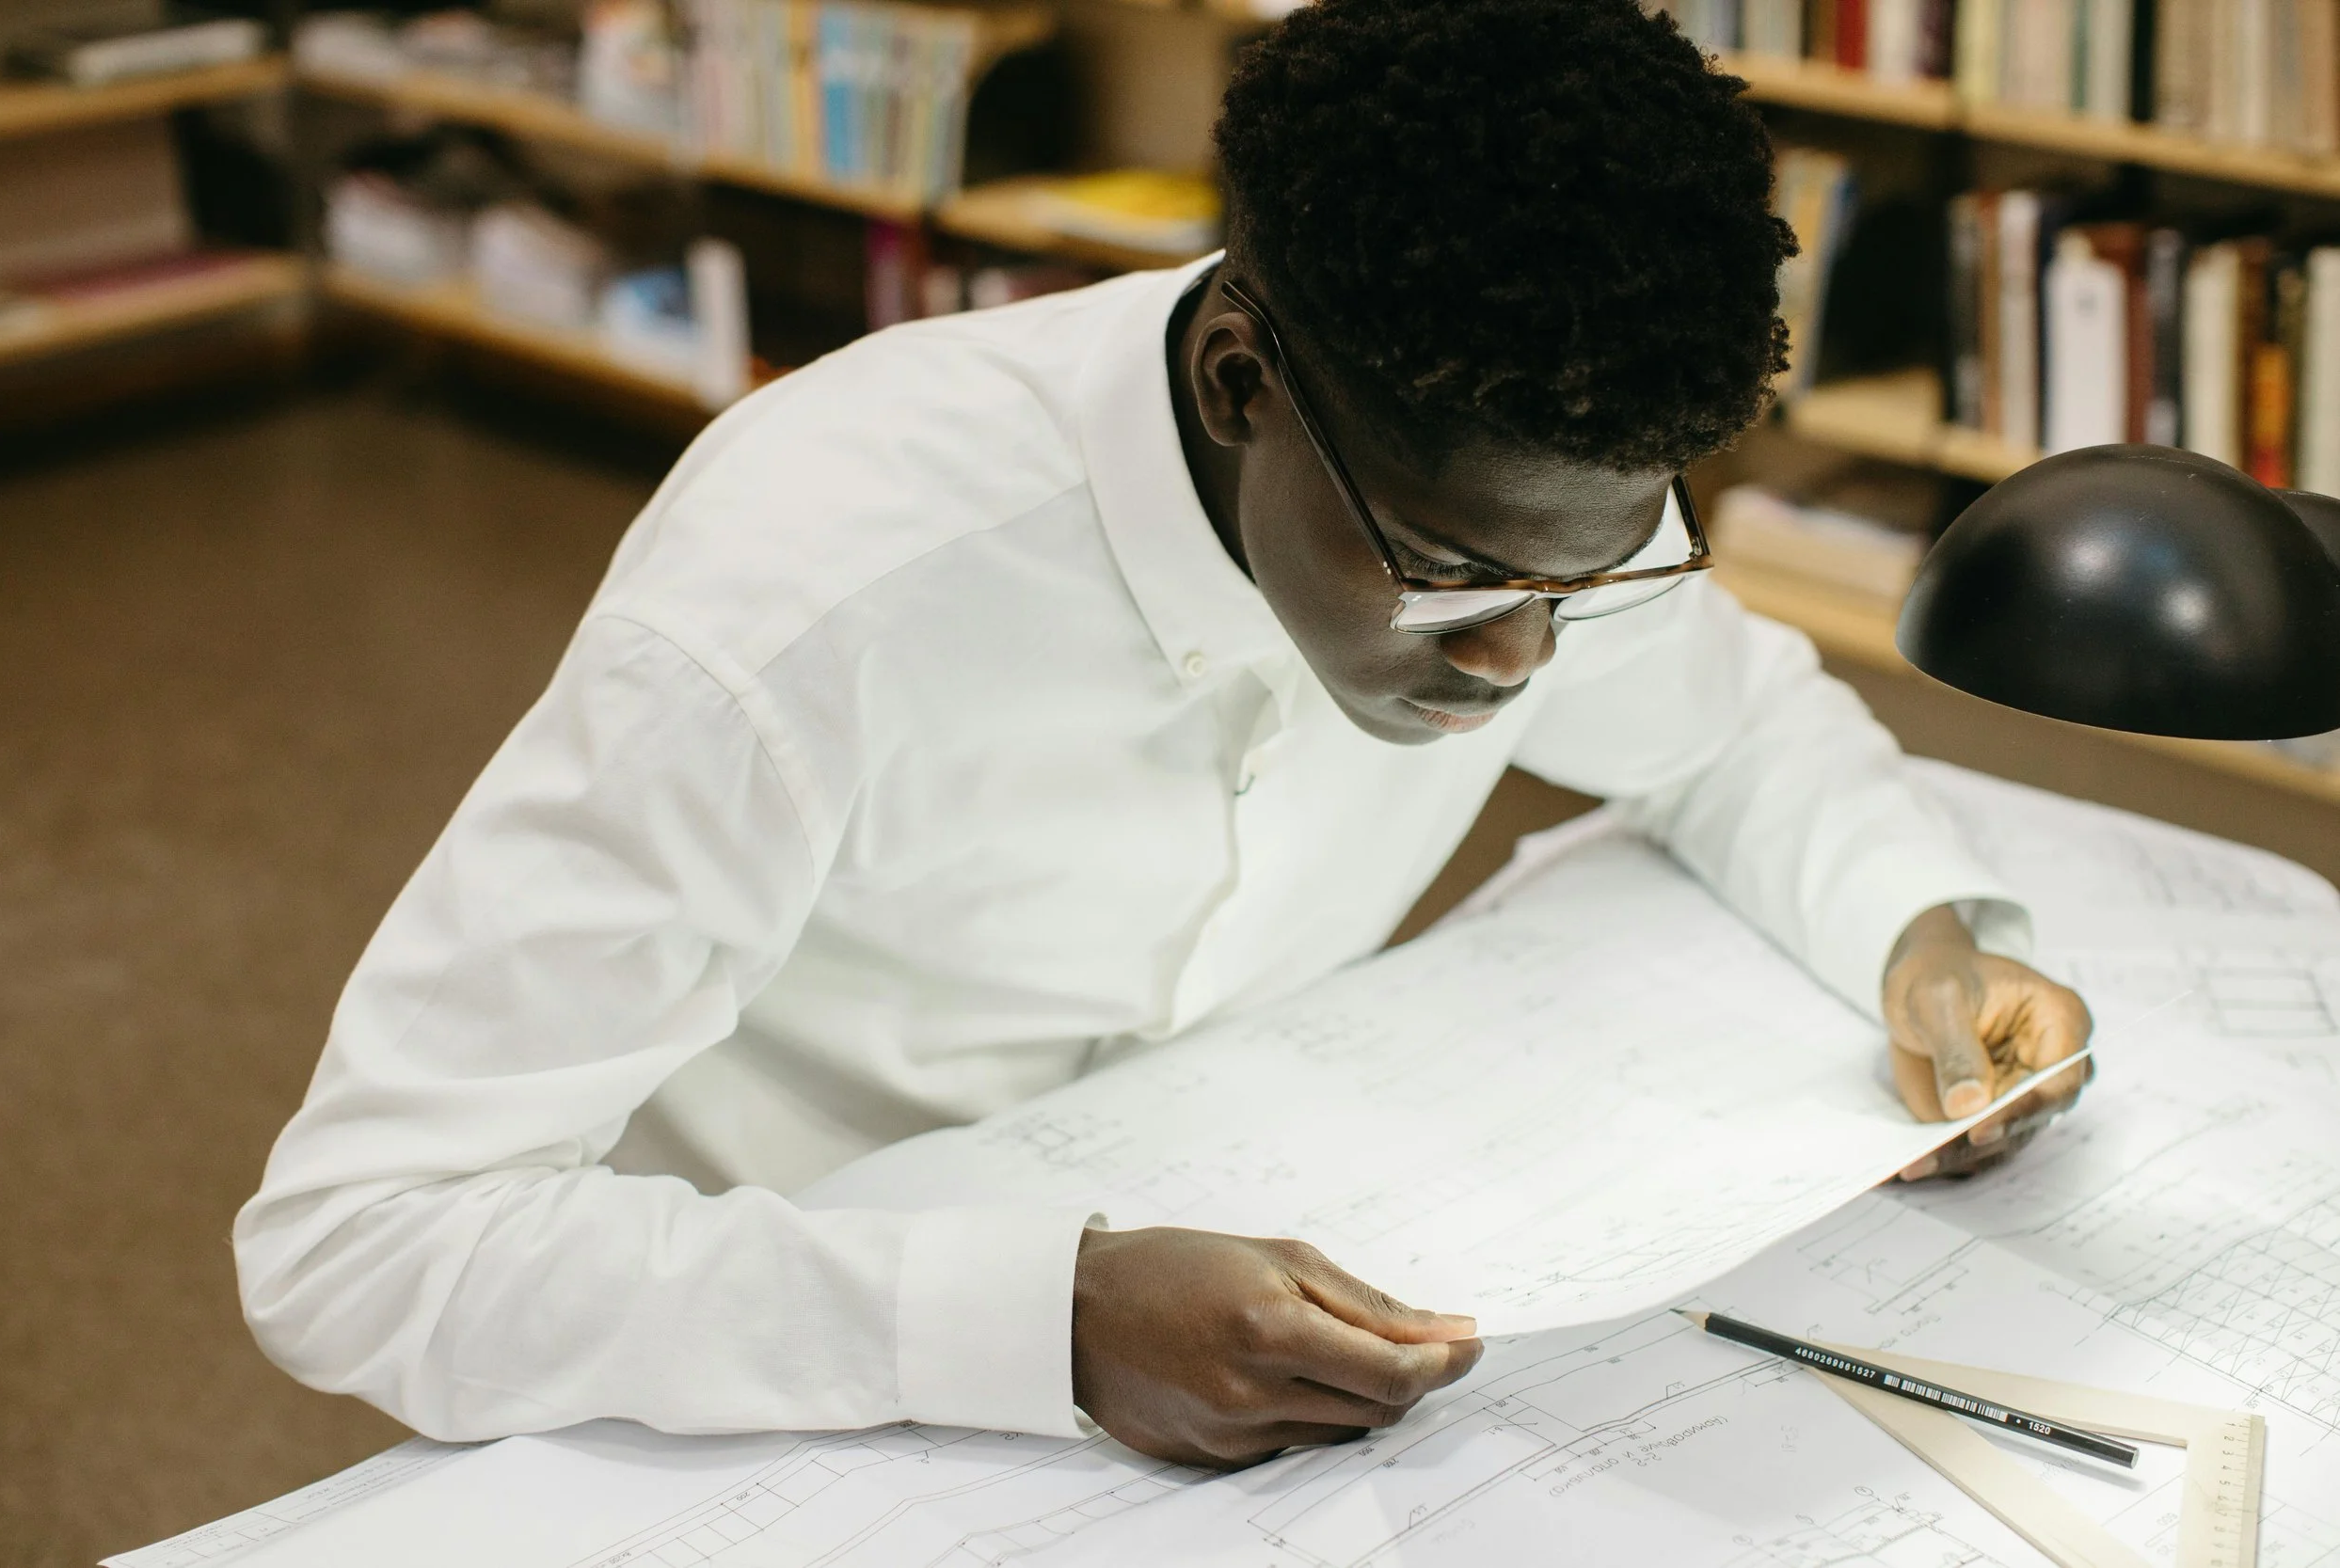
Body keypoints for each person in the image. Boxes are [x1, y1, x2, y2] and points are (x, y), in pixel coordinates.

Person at [237, 0, 2092, 1471]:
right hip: (786, 1340)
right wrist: (1041, 1318)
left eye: (1595, 572)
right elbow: (355, 1244)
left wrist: (1920, 934)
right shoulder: (798, 602)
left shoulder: (1505, 479)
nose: (1525, 656)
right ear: (1235, 383)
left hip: (1270, 1263)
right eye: (1454, 581)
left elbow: (1730, 724)